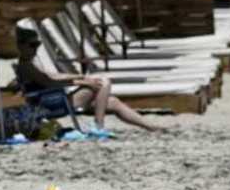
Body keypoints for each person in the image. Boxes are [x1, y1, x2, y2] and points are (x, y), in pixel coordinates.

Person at [13, 25, 161, 134]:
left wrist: (80, 76)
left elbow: (53, 76)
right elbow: (50, 82)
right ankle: (99, 125)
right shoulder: (27, 66)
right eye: (32, 45)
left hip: (53, 99)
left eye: (37, 45)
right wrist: (84, 82)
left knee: (114, 102)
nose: (36, 49)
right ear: (21, 45)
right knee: (103, 82)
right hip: (52, 103)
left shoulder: (29, 63)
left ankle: (152, 127)